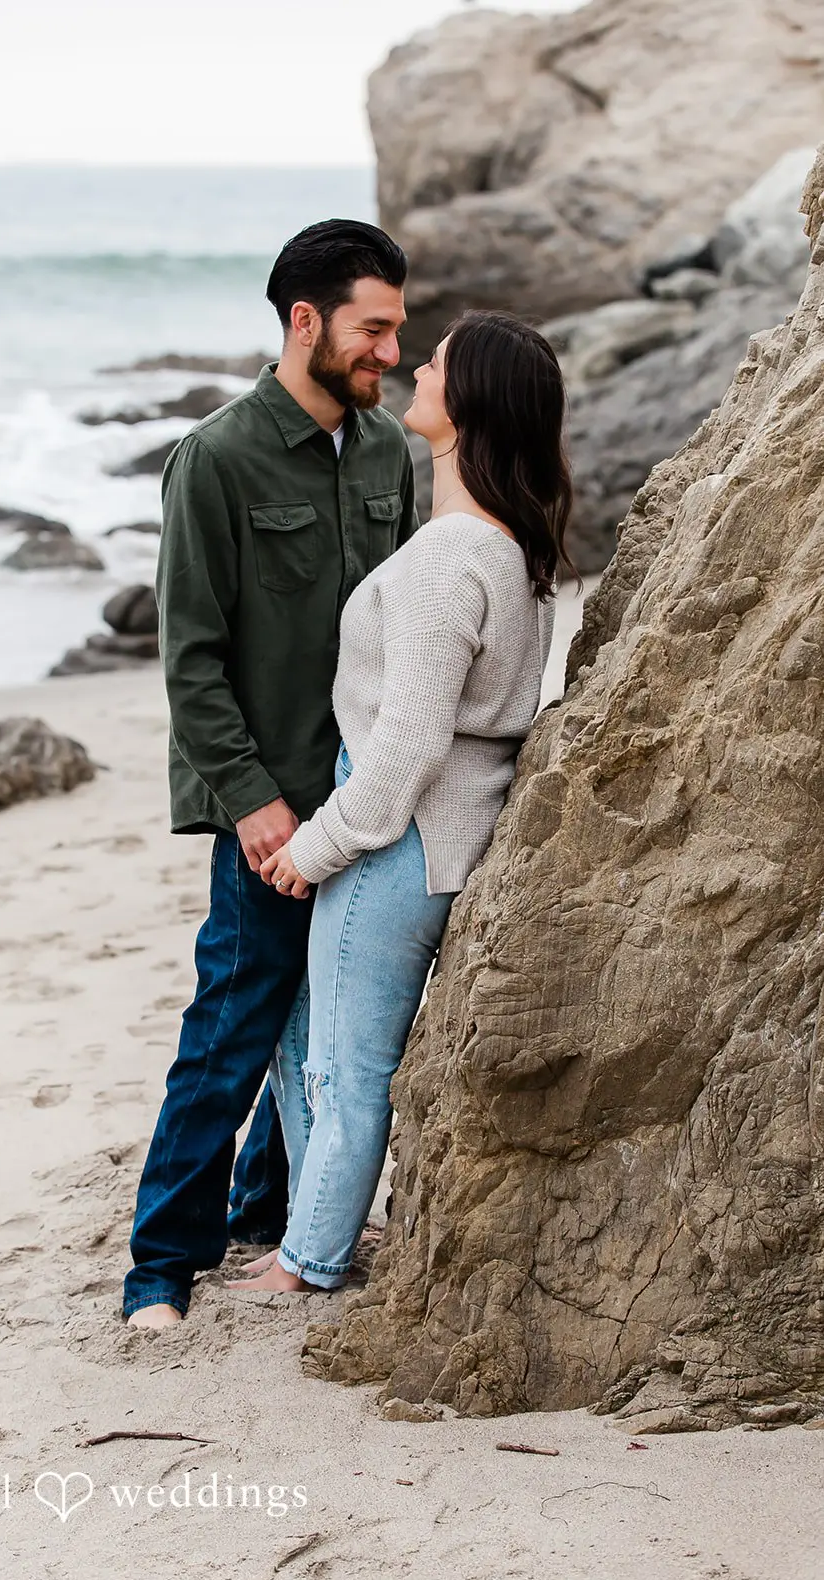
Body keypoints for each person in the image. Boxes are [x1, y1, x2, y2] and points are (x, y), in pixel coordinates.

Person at [228, 309, 580, 1298]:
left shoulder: (446, 557)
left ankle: (308, 1261)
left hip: (397, 841)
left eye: (437, 362)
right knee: (310, 1033)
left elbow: (407, 745)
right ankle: (316, 1225)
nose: (416, 367)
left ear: (464, 405)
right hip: (440, 841)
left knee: (345, 1061)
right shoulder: (508, 549)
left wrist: (316, 846)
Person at [122, 219, 419, 1327]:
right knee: (237, 1020)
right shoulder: (215, 459)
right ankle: (160, 1262)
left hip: (362, 801)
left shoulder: (392, 454)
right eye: (371, 328)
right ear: (306, 322)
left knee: (324, 1020)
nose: (388, 349)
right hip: (266, 802)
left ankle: (267, 1205)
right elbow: (188, 659)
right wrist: (254, 806)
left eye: (395, 329)